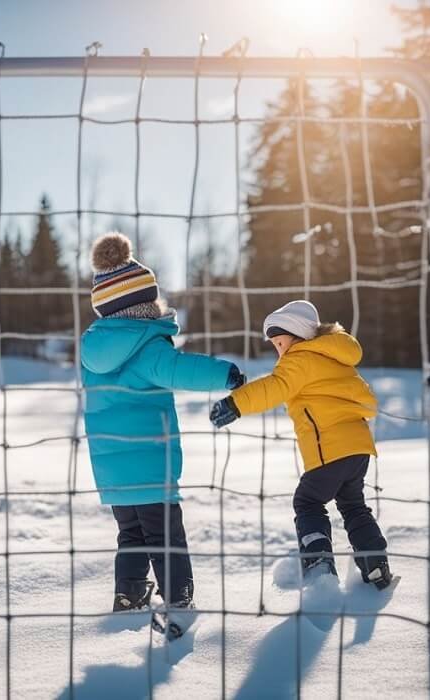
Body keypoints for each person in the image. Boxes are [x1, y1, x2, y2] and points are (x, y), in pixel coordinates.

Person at [81, 232, 246, 619]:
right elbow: (182, 369)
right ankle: (178, 598)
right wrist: (227, 374)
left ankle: (130, 595)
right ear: (142, 305)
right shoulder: (148, 347)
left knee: (131, 535)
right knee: (165, 535)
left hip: (112, 469)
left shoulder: (92, 350)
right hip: (152, 465)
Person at [209, 300, 394, 589]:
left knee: (307, 502)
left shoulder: (300, 359)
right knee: (354, 506)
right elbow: (366, 401)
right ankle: (376, 565)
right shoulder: (336, 360)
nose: (279, 351)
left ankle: (319, 565)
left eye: (280, 343)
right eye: (275, 346)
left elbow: (274, 387)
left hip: (328, 450)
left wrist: (236, 403)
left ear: (297, 336)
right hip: (358, 450)